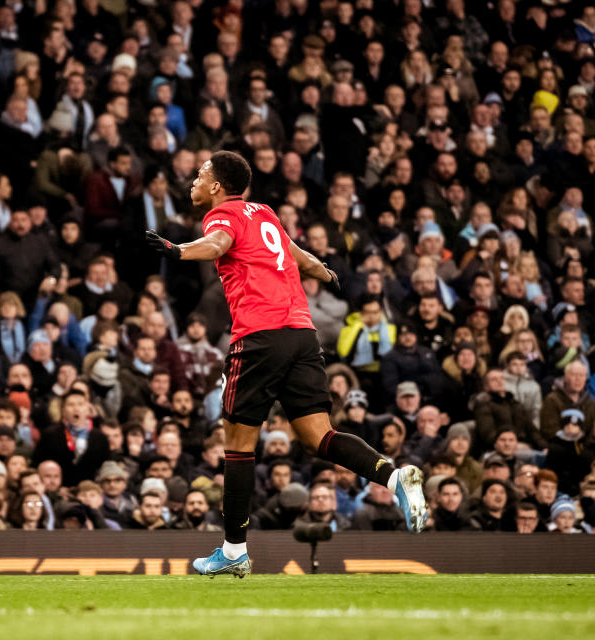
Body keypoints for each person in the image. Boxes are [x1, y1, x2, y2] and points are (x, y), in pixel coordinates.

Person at [145, 151, 426, 578]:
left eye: (201, 175)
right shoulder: (266, 214)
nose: (195, 180)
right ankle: (392, 476)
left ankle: (233, 551)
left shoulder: (223, 215)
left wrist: (177, 249)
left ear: (218, 186)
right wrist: (327, 274)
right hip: (301, 333)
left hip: (258, 337)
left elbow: (217, 245)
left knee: (239, 443)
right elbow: (301, 257)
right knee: (320, 436)